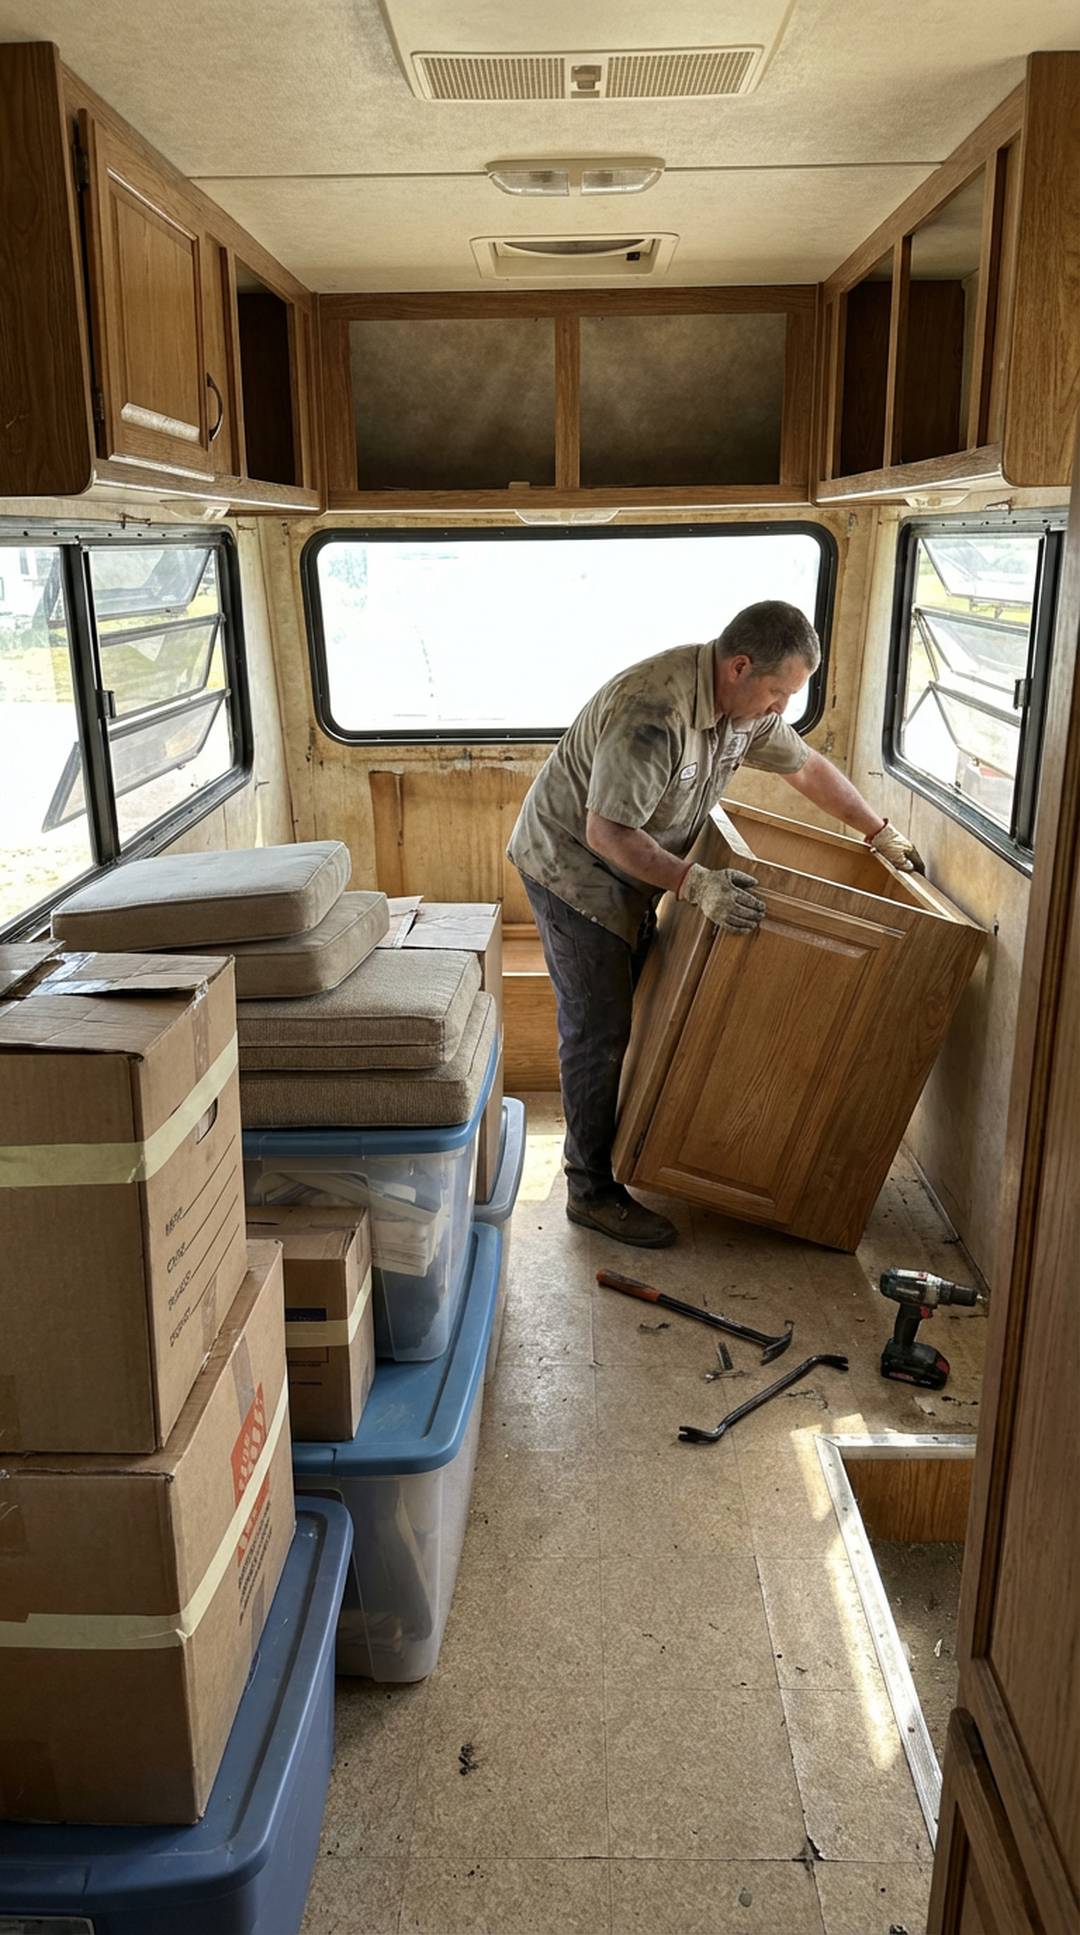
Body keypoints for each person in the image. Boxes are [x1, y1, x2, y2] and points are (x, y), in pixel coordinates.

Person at [507, 599, 923, 1249]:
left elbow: (806, 767)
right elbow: (607, 831)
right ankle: (589, 1191)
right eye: (780, 692)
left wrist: (879, 832)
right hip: (572, 868)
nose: (783, 706)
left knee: (630, 1008)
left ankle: (628, 1150)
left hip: (631, 870)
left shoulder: (745, 711)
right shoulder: (654, 711)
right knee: (598, 1028)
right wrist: (693, 882)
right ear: (739, 666)